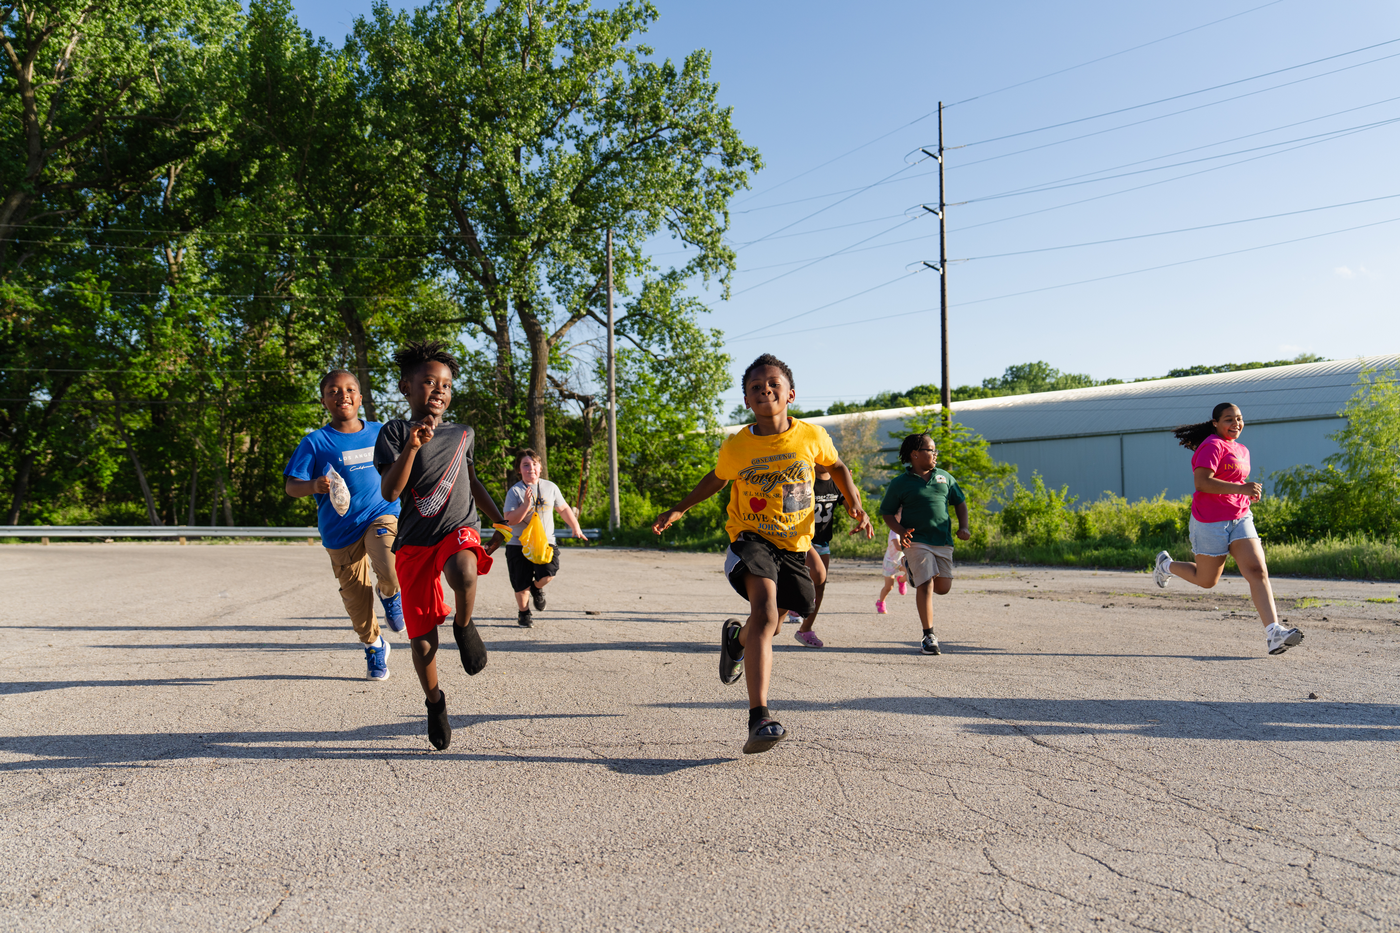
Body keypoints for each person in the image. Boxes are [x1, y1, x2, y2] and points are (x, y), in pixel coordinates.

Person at [652, 353, 872, 754]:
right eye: (756, 387)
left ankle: (736, 639)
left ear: (791, 394)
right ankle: (760, 718)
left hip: (793, 544)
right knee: (767, 613)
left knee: (782, 616)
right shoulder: (738, 445)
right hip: (750, 538)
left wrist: (854, 502)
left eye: (773, 383)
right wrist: (679, 507)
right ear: (747, 401)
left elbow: (837, 466)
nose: (765, 389)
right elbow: (716, 479)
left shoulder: (811, 435)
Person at [375, 341, 509, 751]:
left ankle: (465, 626)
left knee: (464, 570)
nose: (439, 390)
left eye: (447, 385)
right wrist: (413, 445)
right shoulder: (394, 433)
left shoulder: (463, 433)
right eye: (429, 382)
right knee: (421, 639)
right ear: (406, 388)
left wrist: (499, 519)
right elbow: (390, 490)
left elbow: (472, 478)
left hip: (458, 527)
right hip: (415, 541)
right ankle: (435, 701)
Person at [1153, 403, 1304, 656]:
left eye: (1239, 419)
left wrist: (1246, 491)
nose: (1236, 424)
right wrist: (1241, 488)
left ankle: (1274, 633)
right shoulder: (1212, 445)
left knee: (1257, 570)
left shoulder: (1242, 449)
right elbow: (1202, 483)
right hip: (1210, 521)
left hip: (1240, 516)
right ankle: (1165, 565)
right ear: (1215, 423)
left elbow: (1233, 480)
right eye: (1228, 419)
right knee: (1207, 580)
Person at [283, 370, 403, 681]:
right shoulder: (314, 442)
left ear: (361, 398)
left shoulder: (381, 433)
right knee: (356, 599)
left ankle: (390, 594)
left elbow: (404, 468)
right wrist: (314, 485)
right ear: (324, 400)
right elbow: (291, 487)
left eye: (350, 389)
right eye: (334, 391)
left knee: (389, 563)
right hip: (339, 530)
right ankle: (375, 645)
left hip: (381, 513)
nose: (343, 395)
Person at [879, 433, 970, 655]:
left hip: (942, 541)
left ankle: (910, 571)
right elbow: (887, 512)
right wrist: (900, 531)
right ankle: (928, 635)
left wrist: (964, 527)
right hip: (916, 540)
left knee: (943, 587)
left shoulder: (945, 478)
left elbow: (960, 502)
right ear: (915, 454)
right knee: (926, 583)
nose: (935, 454)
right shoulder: (900, 483)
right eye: (931, 450)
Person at [502, 448, 587, 628]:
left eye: (534, 464)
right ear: (519, 469)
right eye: (526, 465)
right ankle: (524, 613)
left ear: (540, 468)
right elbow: (509, 519)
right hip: (519, 543)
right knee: (520, 581)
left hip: (546, 542)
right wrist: (526, 505)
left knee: (549, 573)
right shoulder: (515, 492)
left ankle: (537, 588)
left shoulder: (550, 487)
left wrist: (575, 527)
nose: (531, 468)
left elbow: (563, 509)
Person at [875, 519, 909, 615]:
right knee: (889, 587)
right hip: (890, 561)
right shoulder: (894, 531)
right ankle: (880, 602)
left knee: (911, 572)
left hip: (901, 560)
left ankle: (901, 580)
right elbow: (898, 546)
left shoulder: (907, 529)